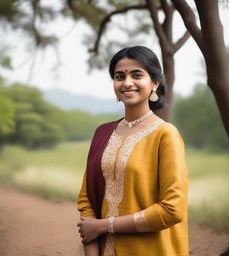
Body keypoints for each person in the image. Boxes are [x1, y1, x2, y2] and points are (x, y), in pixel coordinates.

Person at [77, 46, 189, 256]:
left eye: (137, 75)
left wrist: (104, 226)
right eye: (120, 76)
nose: (127, 83)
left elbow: (172, 210)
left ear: (154, 82)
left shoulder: (165, 135)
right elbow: (87, 199)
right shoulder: (102, 133)